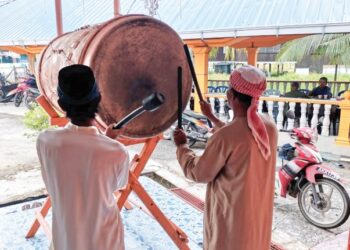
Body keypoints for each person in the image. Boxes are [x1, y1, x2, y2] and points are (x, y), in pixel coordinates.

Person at [173, 65, 278, 250]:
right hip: (257, 214)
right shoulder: (268, 125)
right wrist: (212, 118)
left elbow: (199, 173)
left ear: (231, 96)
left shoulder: (226, 136)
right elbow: (242, 135)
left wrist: (182, 147)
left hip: (233, 220)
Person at [36, 64, 129, 250]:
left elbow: (79, 151)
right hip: (104, 239)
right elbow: (117, 185)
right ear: (98, 99)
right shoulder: (116, 151)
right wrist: (107, 141)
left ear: (61, 105)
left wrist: (105, 140)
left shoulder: (45, 141)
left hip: (66, 235)